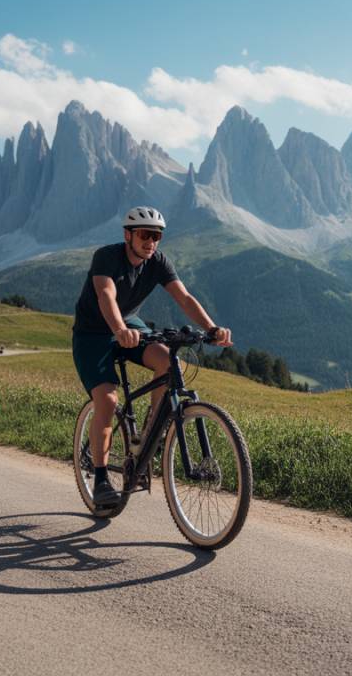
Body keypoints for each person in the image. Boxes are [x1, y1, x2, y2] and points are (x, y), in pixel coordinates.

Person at [71, 206, 232, 506]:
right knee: (107, 400)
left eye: (156, 236)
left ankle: (151, 432)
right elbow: (106, 295)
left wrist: (211, 329)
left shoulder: (157, 261)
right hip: (93, 333)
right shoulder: (106, 257)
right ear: (128, 235)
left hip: (129, 323)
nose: (151, 242)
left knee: (168, 362)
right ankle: (102, 478)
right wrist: (119, 329)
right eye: (145, 235)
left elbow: (183, 297)